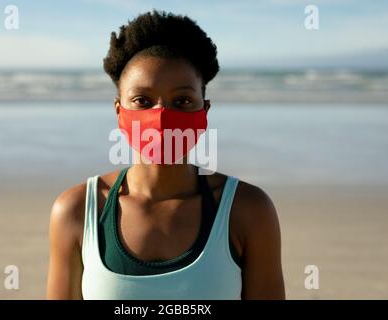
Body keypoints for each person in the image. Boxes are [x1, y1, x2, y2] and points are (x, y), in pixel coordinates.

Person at [46, 10, 285, 300]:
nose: (161, 116)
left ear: (204, 111)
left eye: (182, 101)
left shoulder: (247, 210)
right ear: (119, 111)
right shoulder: (77, 210)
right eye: (142, 101)